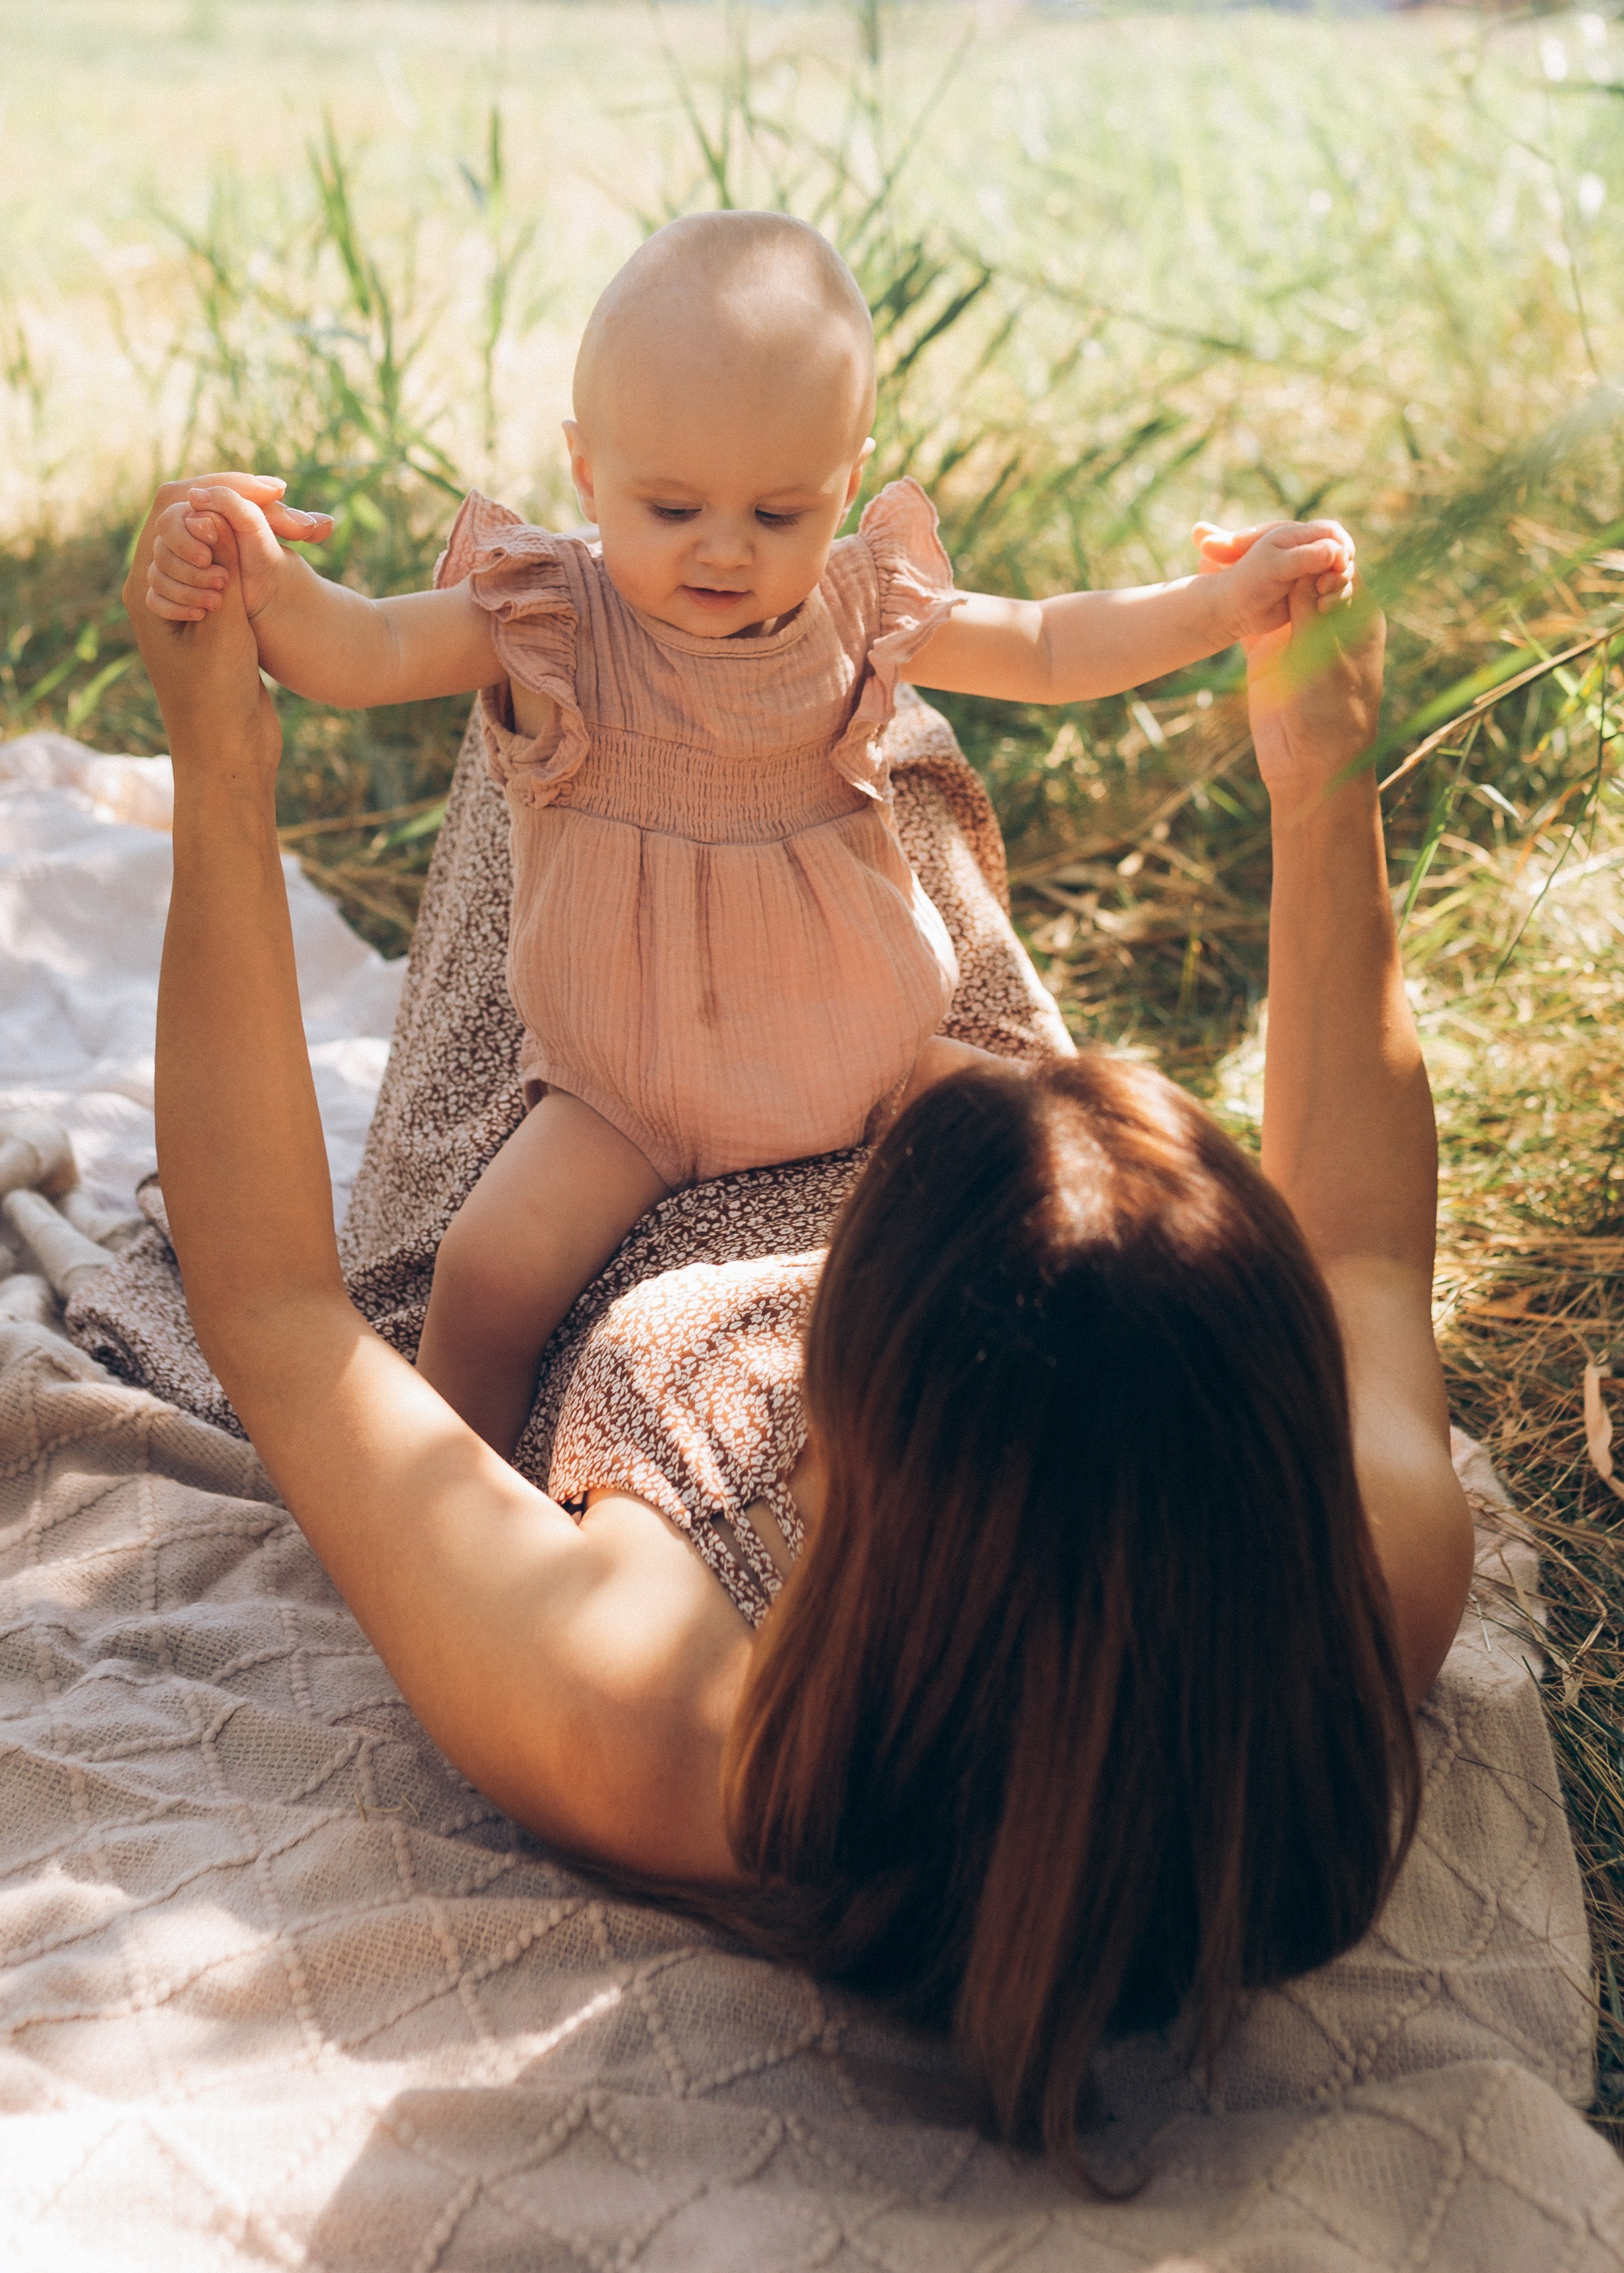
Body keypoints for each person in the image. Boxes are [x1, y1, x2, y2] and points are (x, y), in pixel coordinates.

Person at [124, 471, 1471, 2170]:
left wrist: (220, 755)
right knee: (765, 662)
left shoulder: (662, 1720)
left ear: (826, 1424)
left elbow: (276, 1315)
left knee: (595, 647)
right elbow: (1362, 1260)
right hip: (931, 1138)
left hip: (565, 1130)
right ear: (1268, 1385)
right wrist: (1319, 765)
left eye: (912, 1141)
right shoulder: (1357, 1592)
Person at [139, 210, 1357, 1459]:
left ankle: (1263, 1383)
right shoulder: (549, 609)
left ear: (846, 475)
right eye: (669, 507)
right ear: (585, 468)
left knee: (1110, 1159)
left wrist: (1219, 602)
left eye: (782, 513)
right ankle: (452, 1523)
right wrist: (264, 584)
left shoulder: (857, 596)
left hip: (879, 1057)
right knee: (484, 1282)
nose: (724, 549)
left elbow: (1050, 645)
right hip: (626, 1094)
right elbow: (368, 649)